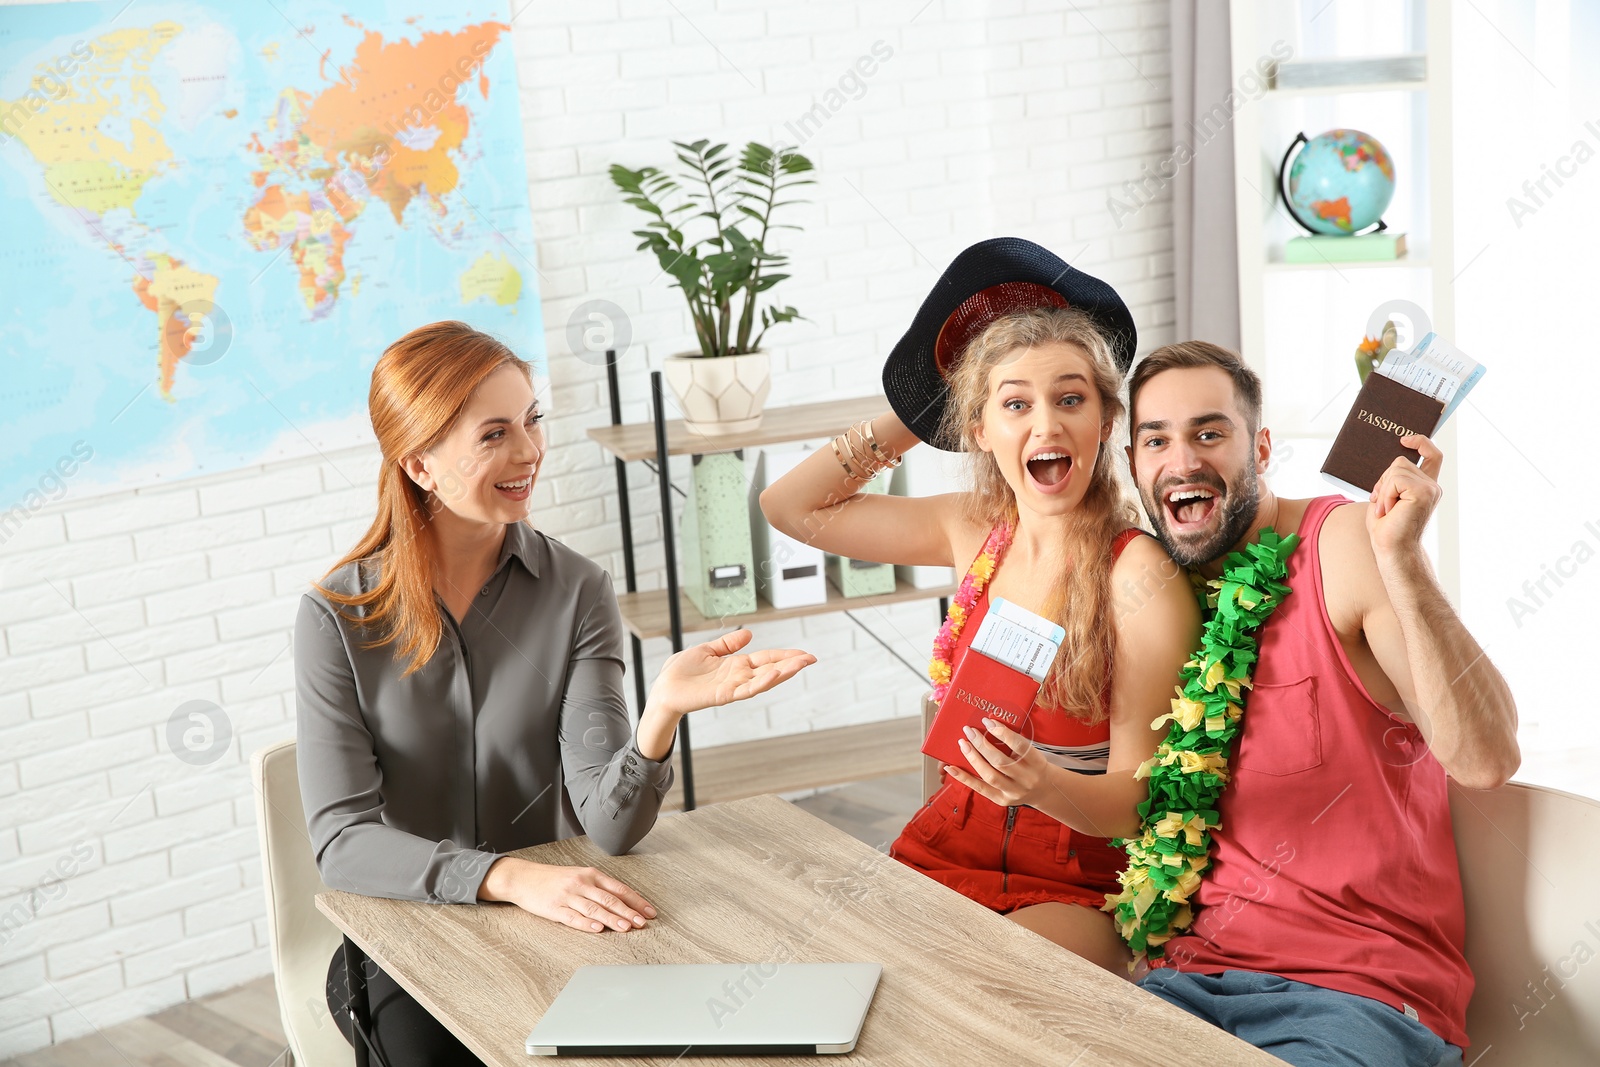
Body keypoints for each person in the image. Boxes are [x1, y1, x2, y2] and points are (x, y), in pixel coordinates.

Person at [295, 321, 815, 1066]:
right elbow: (343, 844)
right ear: (419, 463)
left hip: (562, 918)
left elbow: (609, 825)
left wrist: (659, 714)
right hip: (415, 937)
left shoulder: (578, 590)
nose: (529, 452)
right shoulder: (337, 618)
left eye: (533, 421)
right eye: (495, 433)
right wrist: (507, 876)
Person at [760, 238, 1199, 973]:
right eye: (1015, 404)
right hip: (944, 844)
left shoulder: (1137, 577)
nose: (1046, 427)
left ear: (1104, 420)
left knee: (975, 989)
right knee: (838, 978)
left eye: (1071, 399)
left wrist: (1045, 785)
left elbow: (1139, 801)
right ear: (978, 428)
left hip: (1074, 880)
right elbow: (791, 506)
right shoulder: (972, 530)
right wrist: (915, 408)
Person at [1122, 340, 1519, 1067]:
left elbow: (1487, 757)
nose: (1182, 459)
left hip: (1354, 993)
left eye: (1209, 432)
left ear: (1262, 447)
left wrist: (1402, 561)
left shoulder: (1342, 544)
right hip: (1188, 983)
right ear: (1135, 467)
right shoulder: (1160, 594)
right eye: (1157, 440)